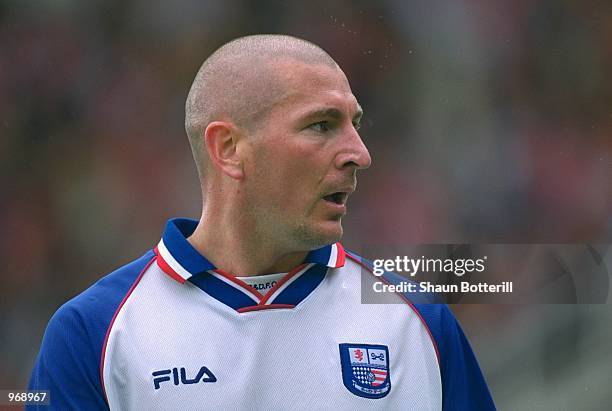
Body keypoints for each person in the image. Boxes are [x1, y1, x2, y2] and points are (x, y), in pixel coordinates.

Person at [28, 34, 495, 410]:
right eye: (321, 125)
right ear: (228, 149)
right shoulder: (93, 333)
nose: (360, 153)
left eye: (355, 123)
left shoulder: (420, 322)